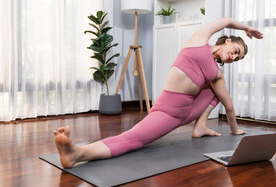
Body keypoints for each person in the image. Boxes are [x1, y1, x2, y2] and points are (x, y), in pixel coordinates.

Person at [53, 17, 263, 168]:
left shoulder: (217, 74)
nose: (234, 57)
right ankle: (78, 153)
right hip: (169, 111)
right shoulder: (199, 40)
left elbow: (229, 105)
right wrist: (246, 28)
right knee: (134, 138)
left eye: (238, 58)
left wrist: (235, 130)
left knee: (218, 90)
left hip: (188, 109)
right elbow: (225, 21)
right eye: (236, 51)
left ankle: (199, 126)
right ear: (227, 41)